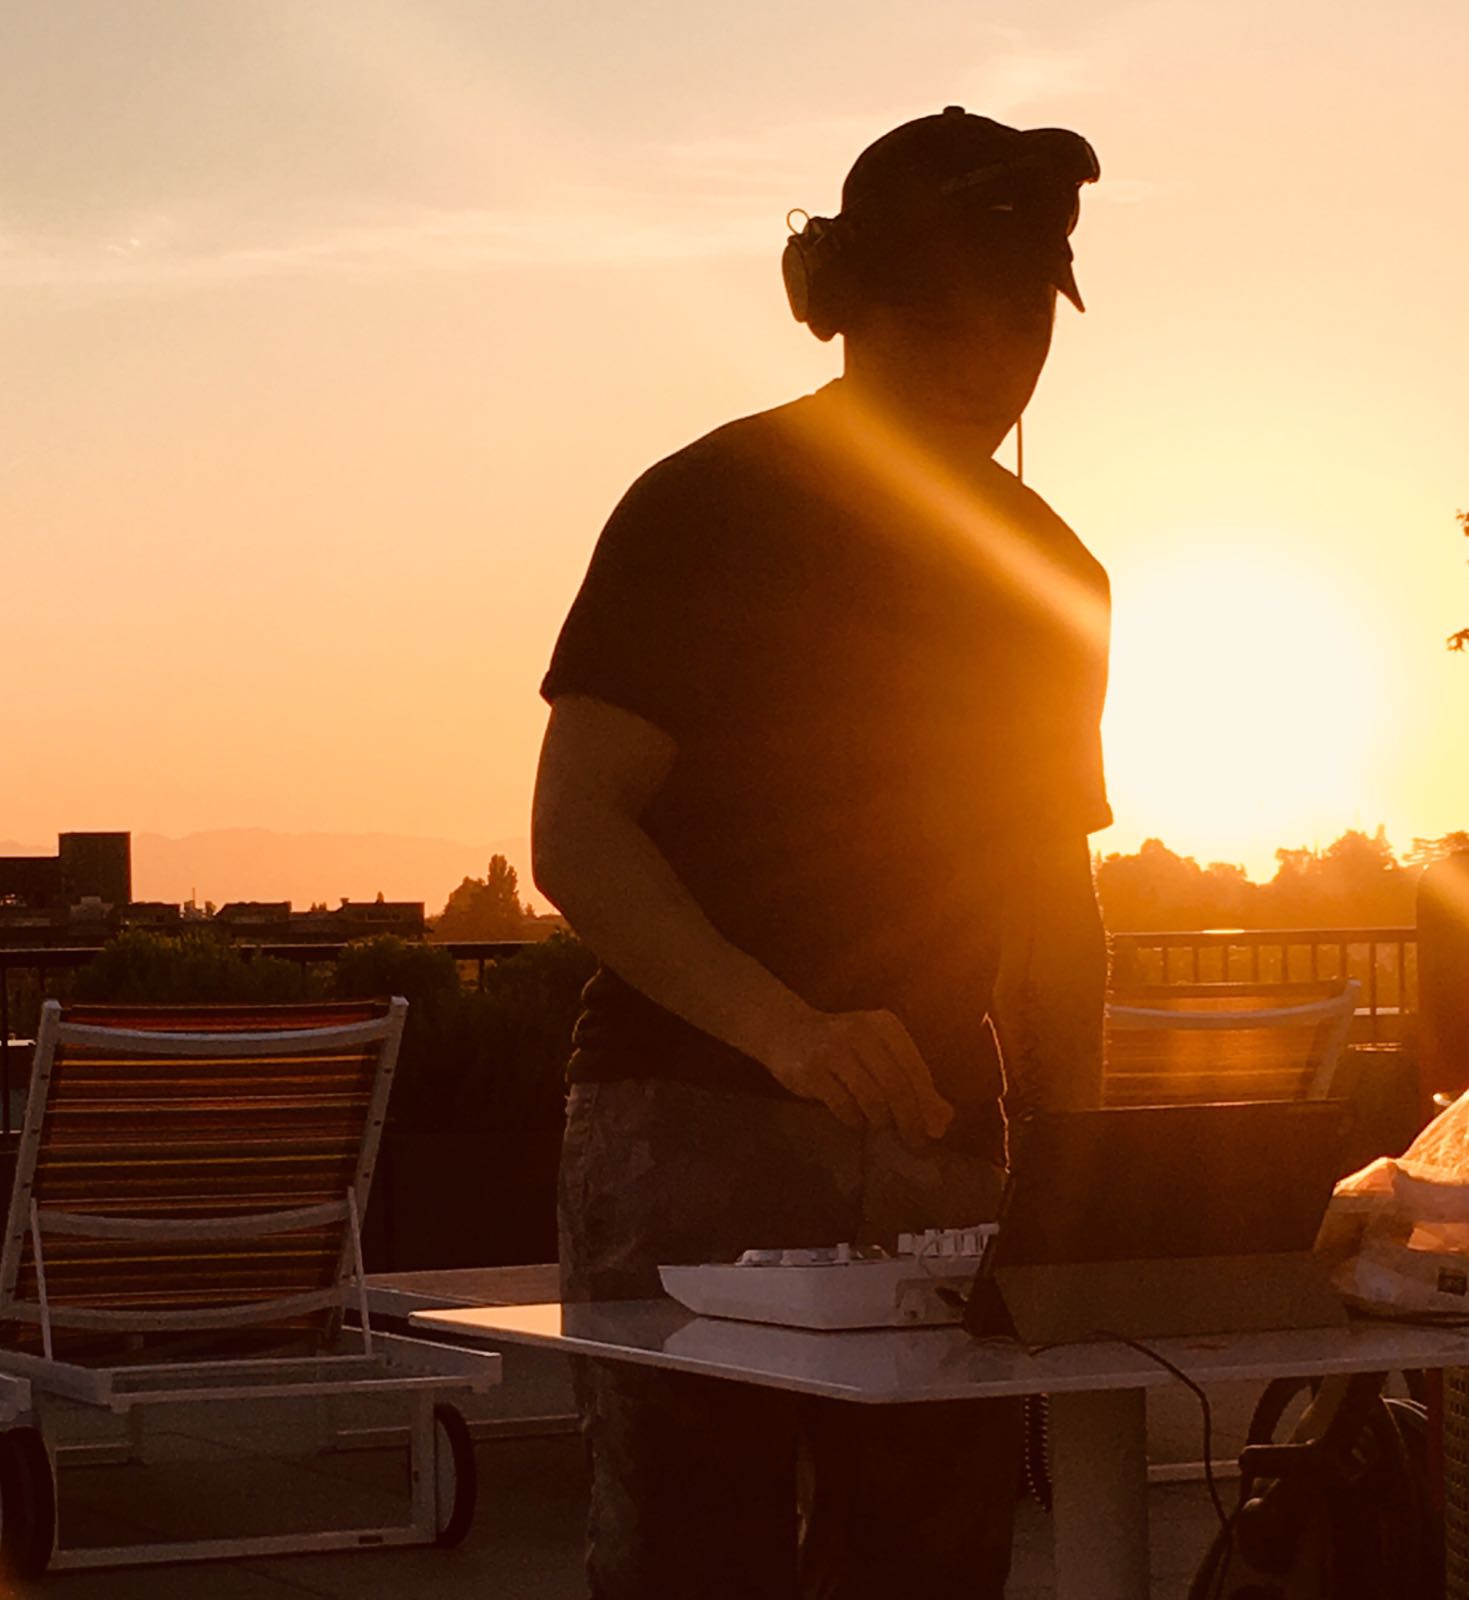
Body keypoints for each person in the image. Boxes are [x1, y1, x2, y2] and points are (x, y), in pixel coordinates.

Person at [533, 105, 1112, 1600]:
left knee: (927, 1562)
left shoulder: (1052, 566)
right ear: (846, 305)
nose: (996, 359)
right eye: (952, 313)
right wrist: (785, 1031)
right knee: (689, 1562)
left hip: (940, 1150)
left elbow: (1050, 889)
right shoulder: (708, 507)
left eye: (1022, 315)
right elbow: (575, 830)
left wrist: (1078, 1156)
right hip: (690, 1124)